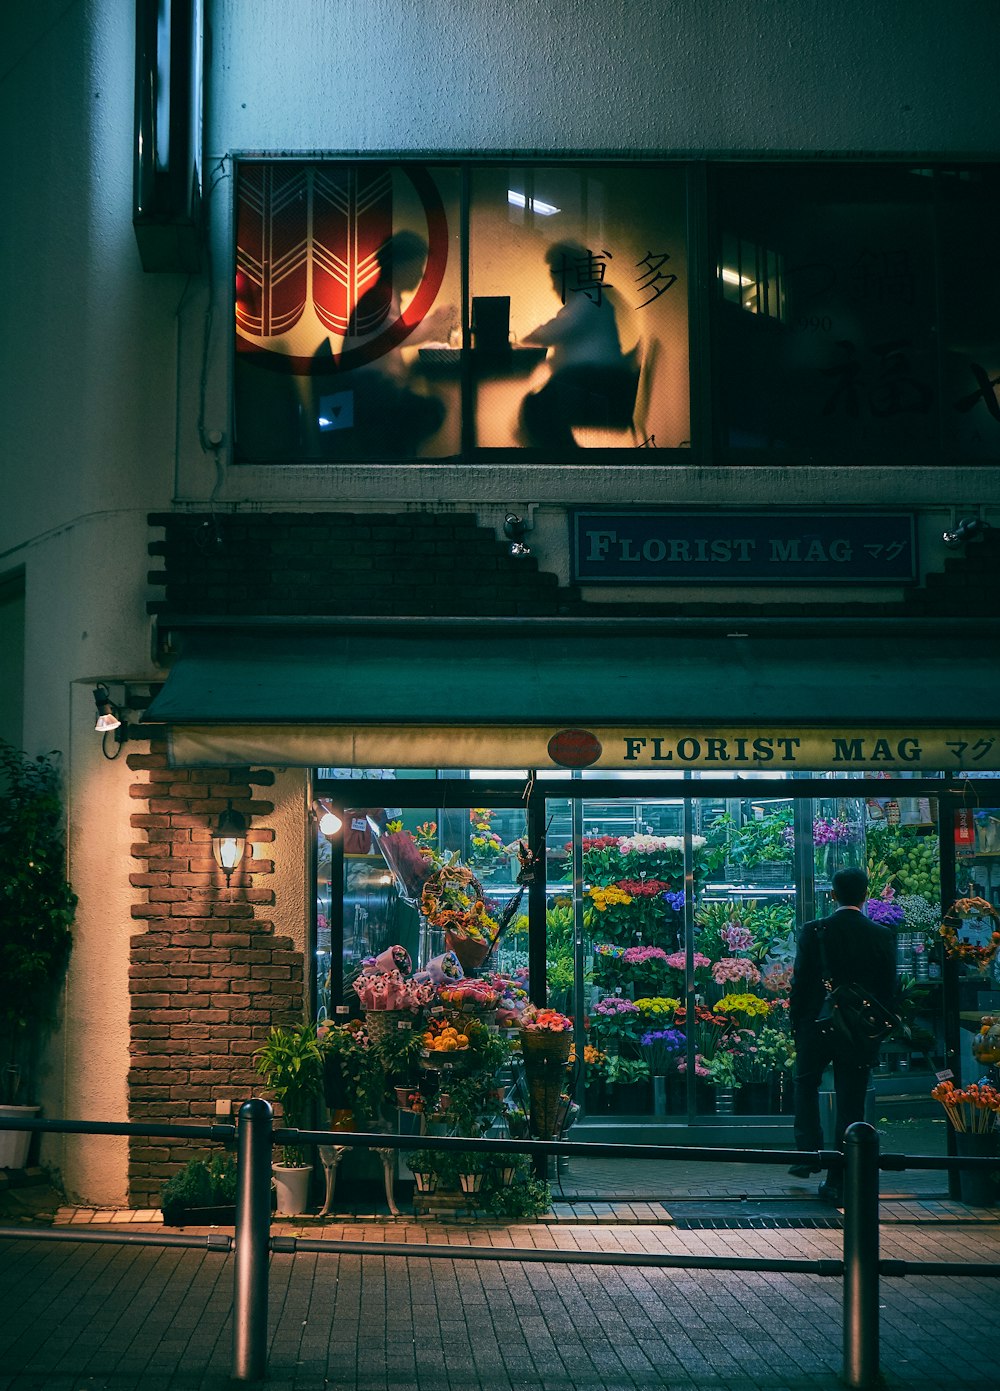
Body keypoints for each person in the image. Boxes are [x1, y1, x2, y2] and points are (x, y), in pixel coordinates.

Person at [787, 866, 896, 1204]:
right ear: (866, 895)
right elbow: (888, 991)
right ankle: (840, 1176)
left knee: (805, 1082)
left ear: (832, 894)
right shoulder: (881, 935)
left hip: (817, 1025)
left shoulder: (815, 931)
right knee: (851, 1100)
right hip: (858, 1030)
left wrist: (798, 1026)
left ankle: (807, 1154)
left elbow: (800, 984)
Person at [314, 230, 455, 458]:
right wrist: (438, 321)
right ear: (401, 266)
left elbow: (391, 339)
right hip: (370, 394)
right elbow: (397, 337)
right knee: (434, 408)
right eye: (418, 267)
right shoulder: (379, 298)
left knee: (430, 405)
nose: (421, 276)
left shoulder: (381, 296)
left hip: (367, 391)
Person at [519, 240, 638, 452]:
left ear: (568, 274)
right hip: (596, 384)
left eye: (555, 277)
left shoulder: (589, 299)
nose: (553, 286)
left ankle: (568, 459)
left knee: (536, 408)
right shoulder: (589, 299)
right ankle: (570, 456)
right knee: (537, 407)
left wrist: (526, 339)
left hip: (596, 386)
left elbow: (554, 331)